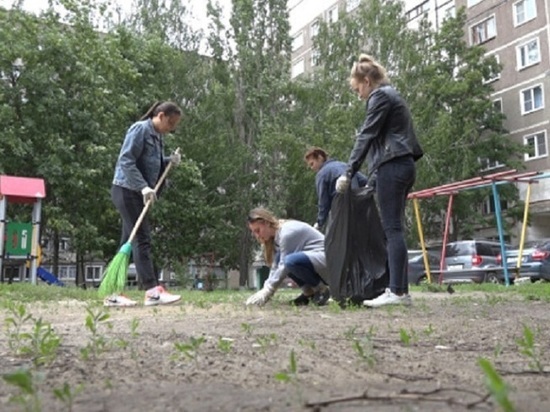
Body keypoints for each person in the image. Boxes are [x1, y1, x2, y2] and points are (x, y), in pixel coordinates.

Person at [335, 54, 423, 308]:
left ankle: (397, 291)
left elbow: (366, 136)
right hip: (401, 165)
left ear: (366, 80)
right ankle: (398, 289)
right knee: (394, 229)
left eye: (357, 89)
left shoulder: (380, 96)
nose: (358, 95)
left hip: (393, 166)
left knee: (392, 229)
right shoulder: (390, 94)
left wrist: (348, 171)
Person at [104, 101, 183, 307]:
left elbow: (150, 162)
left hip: (138, 193)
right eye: (171, 123)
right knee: (142, 239)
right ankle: (151, 291)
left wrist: (168, 161)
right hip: (126, 190)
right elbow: (126, 160)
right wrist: (143, 187)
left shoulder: (157, 137)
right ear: (162, 116)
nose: (172, 128)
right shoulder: (139, 129)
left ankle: (113, 293)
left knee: (126, 243)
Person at [245, 207, 330, 307]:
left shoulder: (287, 233)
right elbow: (276, 266)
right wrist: (265, 288)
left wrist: (269, 290)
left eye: (258, 230)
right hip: (317, 262)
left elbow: (283, 267)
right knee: (283, 259)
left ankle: (321, 290)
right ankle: (309, 293)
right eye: (254, 232)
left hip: (328, 263)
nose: (257, 236)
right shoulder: (277, 236)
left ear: (266, 223)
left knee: (289, 261)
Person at [304, 147, 368, 231]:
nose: (312, 168)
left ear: (320, 158)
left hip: (342, 209)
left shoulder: (322, 174)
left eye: (312, 164)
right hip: (360, 204)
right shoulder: (344, 165)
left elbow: (323, 202)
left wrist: (319, 223)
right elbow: (364, 180)